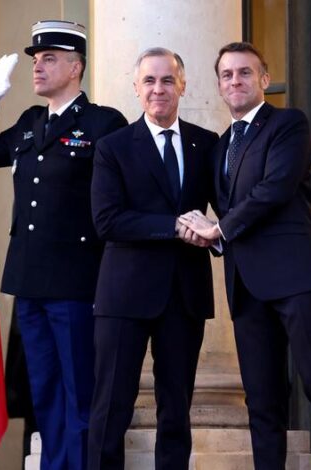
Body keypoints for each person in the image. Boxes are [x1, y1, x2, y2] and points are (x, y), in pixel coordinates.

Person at [179, 42, 311, 470]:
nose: (235, 81)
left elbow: (274, 190)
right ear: (219, 86)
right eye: (227, 75)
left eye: (245, 72)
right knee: (262, 403)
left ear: (263, 79)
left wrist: (218, 229)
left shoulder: (288, 125)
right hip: (246, 287)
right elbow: (227, 210)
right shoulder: (220, 147)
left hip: (298, 278)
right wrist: (207, 235)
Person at [0, 20, 127, 470]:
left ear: (75, 67)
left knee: (79, 393)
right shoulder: (30, 123)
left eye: (49, 58)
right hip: (29, 281)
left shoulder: (103, 123)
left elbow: (120, 196)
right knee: (45, 393)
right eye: (36, 58)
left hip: (76, 280)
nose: (37, 66)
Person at [87, 47, 218, 470]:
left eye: (167, 80)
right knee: (110, 407)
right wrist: (174, 226)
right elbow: (107, 220)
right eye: (149, 81)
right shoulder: (113, 147)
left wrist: (216, 235)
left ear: (183, 85)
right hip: (124, 295)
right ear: (136, 88)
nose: (158, 89)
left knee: (177, 410)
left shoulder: (206, 143)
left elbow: (227, 210)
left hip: (185, 294)